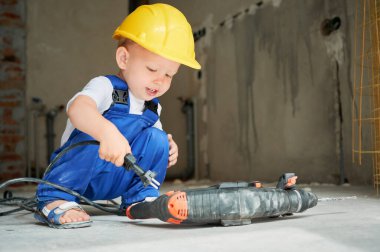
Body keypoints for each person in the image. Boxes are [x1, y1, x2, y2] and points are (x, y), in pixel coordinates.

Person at [34, 3, 201, 229]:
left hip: (119, 177)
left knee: (157, 138)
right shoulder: (105, 87)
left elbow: (152, 144)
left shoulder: (152, 107)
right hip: (78, 175)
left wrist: (168, 148)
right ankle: (55, 197)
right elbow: (77, 109)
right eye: (152, 69)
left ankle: (140, 198)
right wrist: (106, 132)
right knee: (95, 133)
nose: (160, 80)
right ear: (124, 59)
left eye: (169, 75)